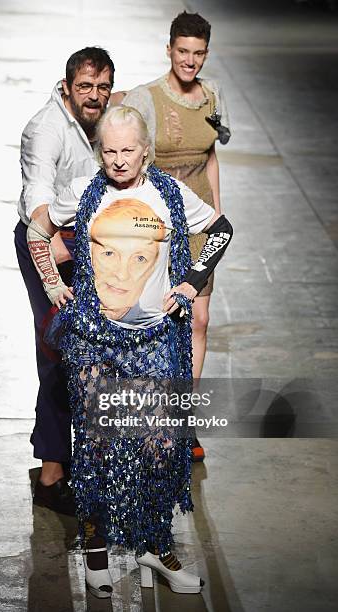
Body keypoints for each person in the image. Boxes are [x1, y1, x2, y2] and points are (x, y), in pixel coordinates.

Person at [27, 105, 232, 598]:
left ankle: (153, 544)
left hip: (157, 340)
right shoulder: (83, 194)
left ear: (146, 151)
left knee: (160, 447)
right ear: (101, 151)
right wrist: (53, 283)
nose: (119, 160)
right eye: (110, 150)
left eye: (128, 150)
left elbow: (221, 230)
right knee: (97, 449)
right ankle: (96, 550)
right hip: (96, 343)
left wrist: (191, 281)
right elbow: (36, 228)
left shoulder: (169, 193)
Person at [119, 11, 231, 460]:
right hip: (158, 227)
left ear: (206, 53)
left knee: (198, 321)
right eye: (182, 51)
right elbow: (129, 155)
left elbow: (209, 158)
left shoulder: (213, 96)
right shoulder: (147, 98)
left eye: (198, 53)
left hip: (200, 223)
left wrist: (218, 214)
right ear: (169, 50)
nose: (190, 61)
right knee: (154, 322)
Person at [14, 47, 114, 514]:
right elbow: (38, 202)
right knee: (57, 352)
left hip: (88, 241)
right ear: (66, 87)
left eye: (102, 87)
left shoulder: (105, 117)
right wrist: (53, 261)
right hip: (45, 241)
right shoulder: (46, 129)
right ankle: (52, 474)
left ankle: (73, 456)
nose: (94, 96)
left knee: (93, 353)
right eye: (85, 87)